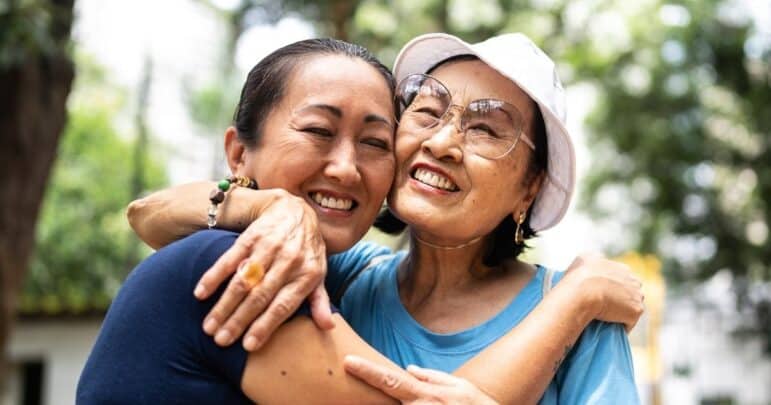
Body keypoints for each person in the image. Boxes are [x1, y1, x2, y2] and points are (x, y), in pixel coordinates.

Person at [80, 36, 642, 404]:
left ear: (531, 187)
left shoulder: (585, 323)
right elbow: (148, 216)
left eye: (486, 130)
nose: (443, 141)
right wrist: (270, 205)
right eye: (427, 111)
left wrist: (573, 303)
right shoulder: (331, 273)